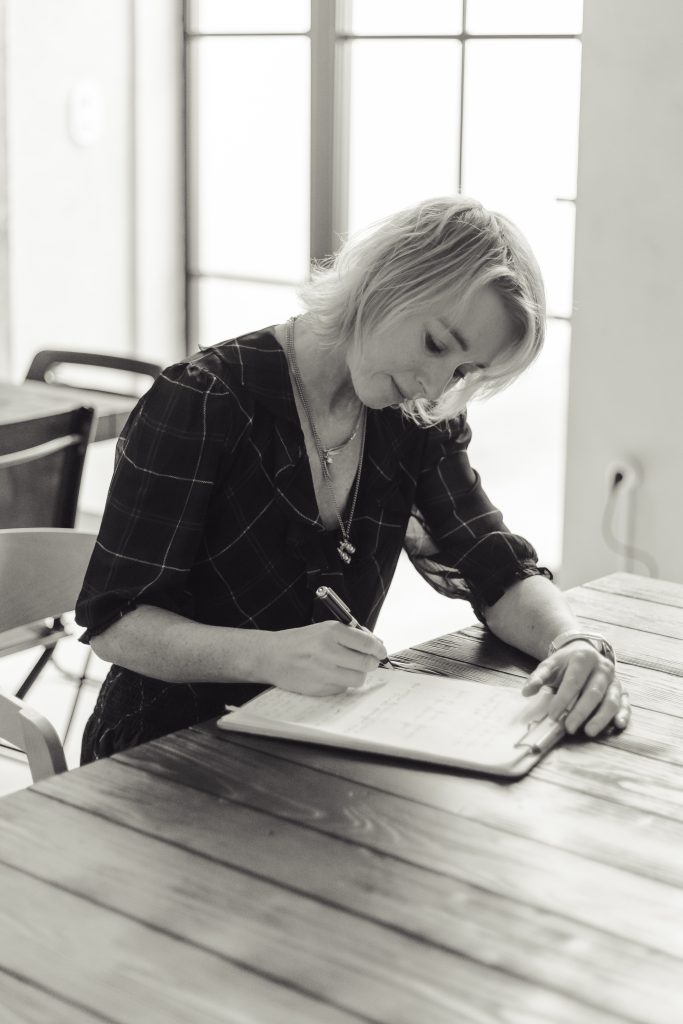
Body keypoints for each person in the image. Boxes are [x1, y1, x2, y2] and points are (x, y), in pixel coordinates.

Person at [76, 195, 630, 763]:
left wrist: (574, 641)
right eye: (436, 345)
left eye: (463, 371)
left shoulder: (416, 421)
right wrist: (267, 656)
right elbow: (116, 622)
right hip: (161, 752)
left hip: (312, 740)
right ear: (386, 280)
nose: (436, 387)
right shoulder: (206, 400)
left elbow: (494, 565)